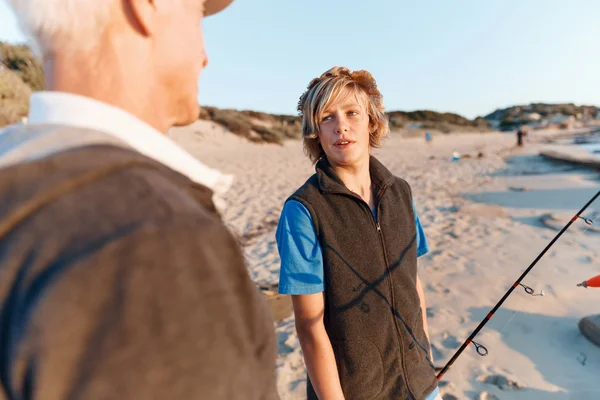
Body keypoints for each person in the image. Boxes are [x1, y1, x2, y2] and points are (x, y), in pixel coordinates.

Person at [0, 0, 279, 399]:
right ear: (146, 6)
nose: (205, 55)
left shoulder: (18, 176)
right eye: (197, 12)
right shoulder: (153, 241)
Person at [276, 67, 441, 399]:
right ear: (315, 133)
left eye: (352, 112)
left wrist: (427, 362)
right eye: (327, 117)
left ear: (371, 122)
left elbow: (413, 283)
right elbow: (310, 327)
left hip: (420, 384)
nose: (341, 126)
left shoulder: (401, 193)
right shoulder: (303, 211)